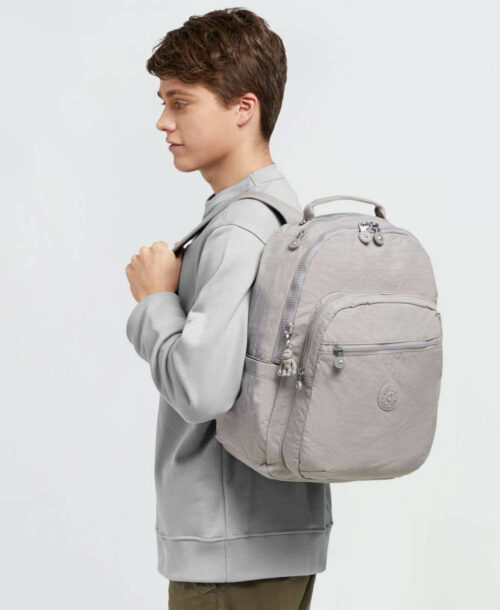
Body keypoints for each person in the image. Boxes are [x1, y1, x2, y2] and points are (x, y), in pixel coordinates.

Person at [125, 8, 333, 609]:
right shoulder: (285, 214)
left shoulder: (239, 227)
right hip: (278, 536)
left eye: (180, 102)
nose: (164, 121)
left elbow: (201, 390)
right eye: (164, 102)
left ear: (244, 108)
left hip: (227, 551)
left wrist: (155, 300)